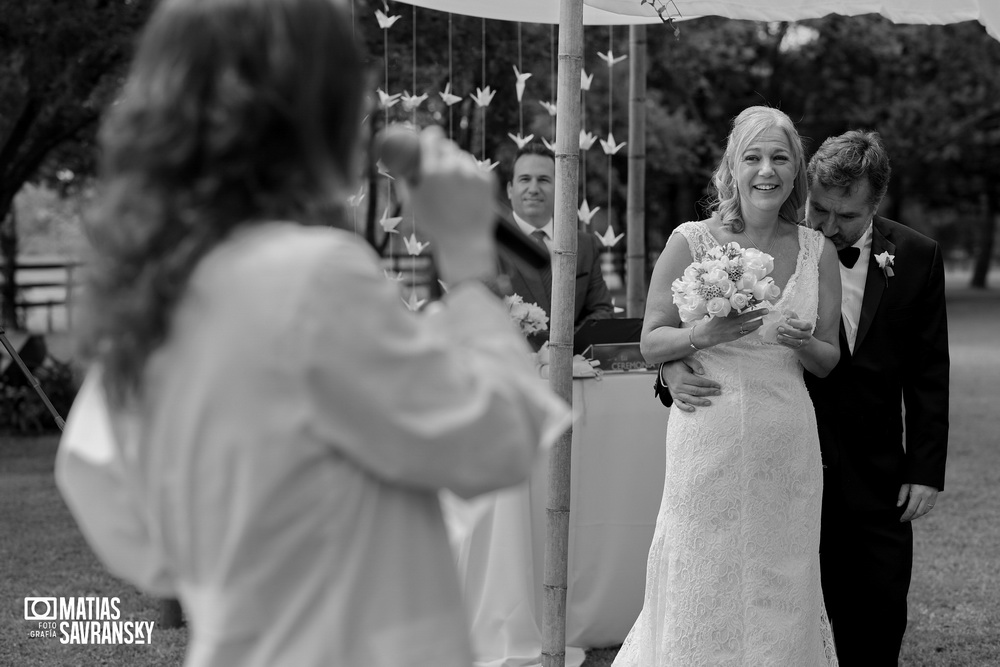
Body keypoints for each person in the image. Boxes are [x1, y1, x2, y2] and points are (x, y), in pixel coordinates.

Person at [53, 1, 569, 666]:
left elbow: (115, 510)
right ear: (304, 107)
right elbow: (494, 441)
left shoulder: (150, 292)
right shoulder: (310, 277)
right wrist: (469, 264)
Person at [660, 130, 950, 665]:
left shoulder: (916, 256)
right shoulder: (757, 244)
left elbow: (929, 371)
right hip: (775, 462)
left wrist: (926, 468)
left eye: (847, 216)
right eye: (820, 208)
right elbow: (692, 333)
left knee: (877, 611)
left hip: (873, 468)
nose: (828, 226)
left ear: (876, 203)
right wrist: (669, 371)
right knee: (775, 604)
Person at [614, 106, 842, 666]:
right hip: (707, 438)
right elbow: (650, 342)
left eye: (780, 158)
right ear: (732, 169)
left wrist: (801, 341)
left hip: (786, 444)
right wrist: (702, 334)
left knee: (781, 577)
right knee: (701, 568)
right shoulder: (690, 242)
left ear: (796, 173)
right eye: (753, 157)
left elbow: (828, 361)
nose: (767, 170)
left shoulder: (820, 252)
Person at [498, 143, 614, 349]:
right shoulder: (490, 244)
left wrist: (563, 350)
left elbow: (601, 310)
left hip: (574, 365)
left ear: (559, 189)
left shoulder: (584, 245)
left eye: (543, 180)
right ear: (509, 189)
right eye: (525, 179)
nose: (533, 189)